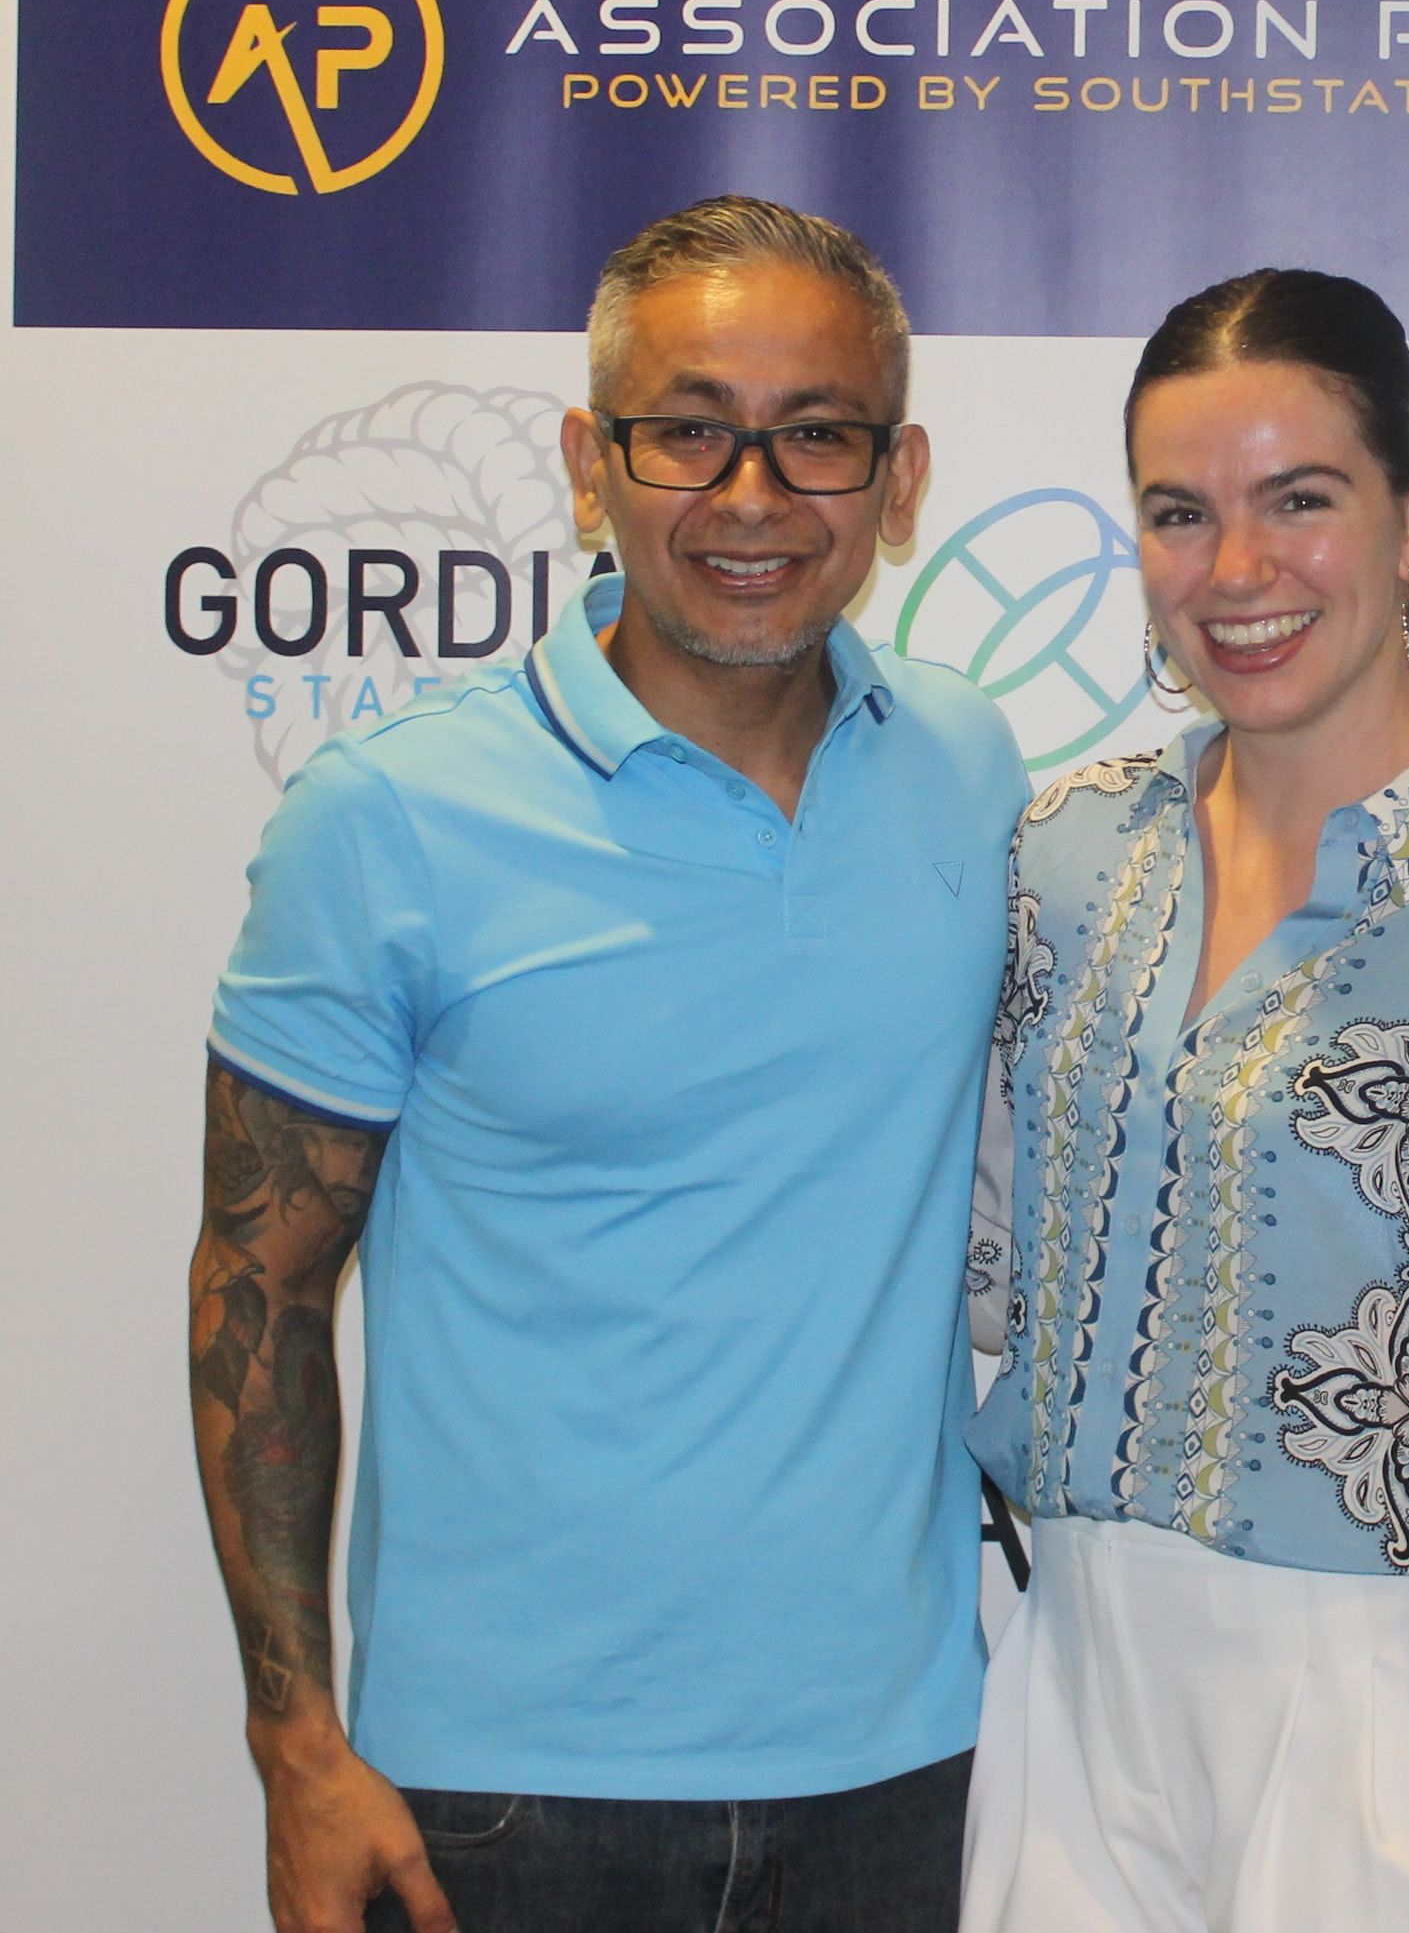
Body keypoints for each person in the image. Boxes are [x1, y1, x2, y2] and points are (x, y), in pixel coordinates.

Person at [189, 196, 1031, 1933]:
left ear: (900, 475)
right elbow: (257, 1287)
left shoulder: (969, 765)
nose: (749, 496)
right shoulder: (390, 817)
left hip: (906, 1767)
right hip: (501, 1801)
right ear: (591, 460)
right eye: (687, 430)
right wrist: (298, 1749)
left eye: (816, 436)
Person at [963, 269, 1409, 1933]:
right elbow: (981, 1268)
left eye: (1300, 500)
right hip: (1068, 1685)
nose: (1236, 572)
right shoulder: (1064, 855)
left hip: (1373, 1725)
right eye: (1179, 512)